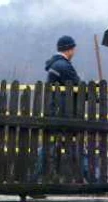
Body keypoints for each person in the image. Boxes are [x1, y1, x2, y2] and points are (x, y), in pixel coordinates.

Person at [34, 36, 82, 187]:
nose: (74, 51)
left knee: (50, 147)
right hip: (63, 114)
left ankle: (37, 178)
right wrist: (95, 94)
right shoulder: (64, 66)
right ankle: (90, 179)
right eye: (73, 48)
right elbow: (77, 86)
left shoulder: (55, 64)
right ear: (69, 49)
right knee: (75, 147)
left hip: (55, 111)